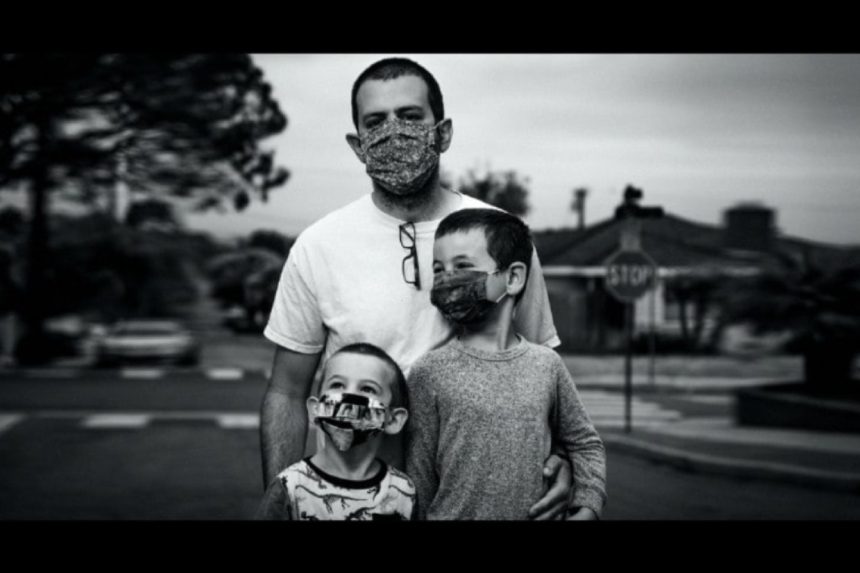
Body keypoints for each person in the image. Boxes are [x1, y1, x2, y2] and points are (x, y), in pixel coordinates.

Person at [260, 57, 571, 519]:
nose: (393, 132)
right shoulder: (318, 245)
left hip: (480, 504)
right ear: (358, 145)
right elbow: (287, 392)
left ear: (442, 133)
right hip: (355, 505)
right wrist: (282, 502)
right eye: (375, 122)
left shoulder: (502, 238)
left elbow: (542, 367)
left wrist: (563, 457)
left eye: (409, 116)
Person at [406, 208, 607, 520]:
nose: (447, 279)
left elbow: (584, 443)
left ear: (513, 278)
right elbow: (419, 477)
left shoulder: (547, 365)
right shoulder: (428, 372)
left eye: (462, 266)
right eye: (438, 269)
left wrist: (588, 505)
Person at [255, 343, 415, 520]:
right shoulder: (289, 486)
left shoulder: (404, 491)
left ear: (393, 420)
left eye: (368, 389)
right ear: (315, 409)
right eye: (337, 385)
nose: (348, 397)